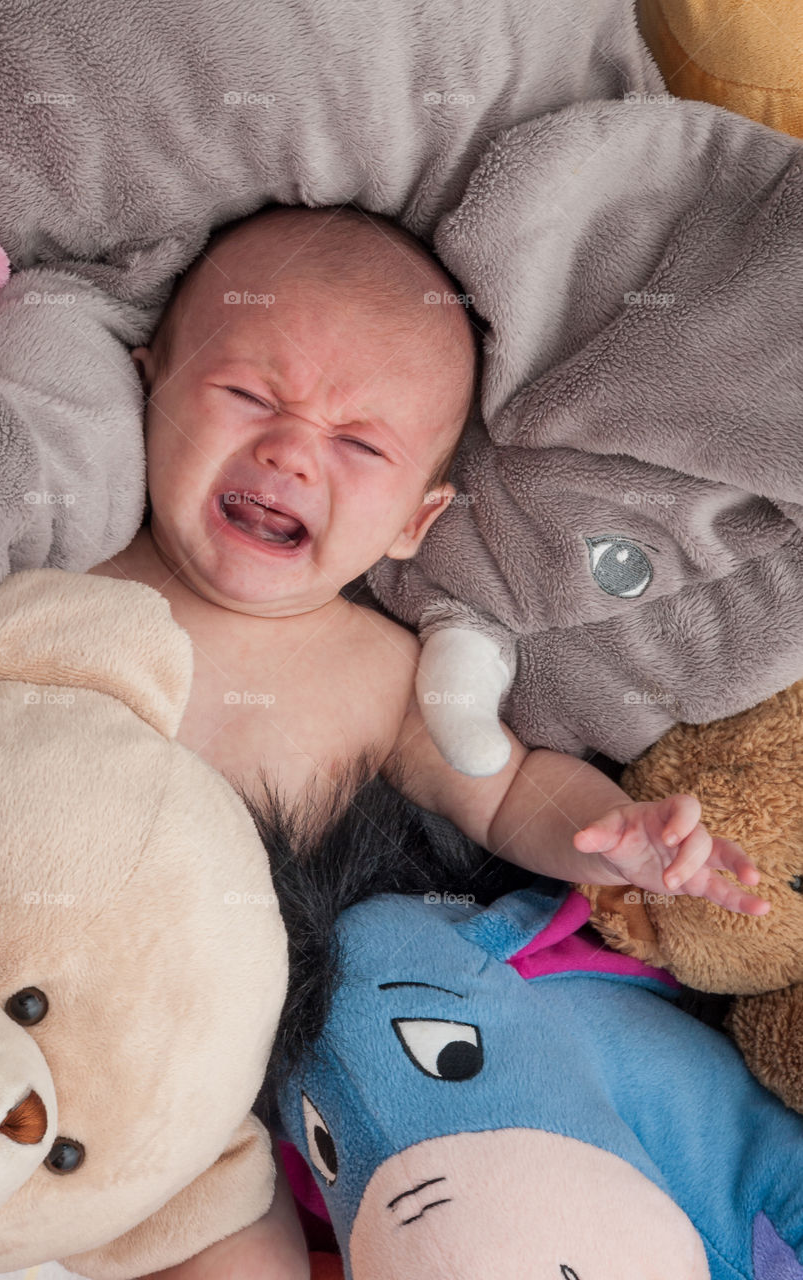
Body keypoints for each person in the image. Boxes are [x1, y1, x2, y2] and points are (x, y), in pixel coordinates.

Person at [81, 203, 767, 1279]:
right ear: (147, 386)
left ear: (414, 518)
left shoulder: (381, 672)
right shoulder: (66, 576)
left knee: (227, 1240)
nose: (291, 449)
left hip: (219, 1100)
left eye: (359, 444)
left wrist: (613, 832)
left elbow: (504, 793)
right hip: (30, 990)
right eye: (249, 394)